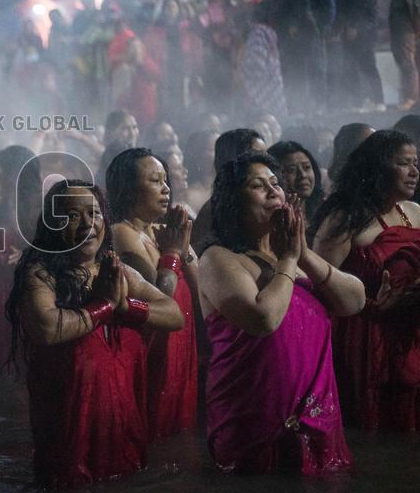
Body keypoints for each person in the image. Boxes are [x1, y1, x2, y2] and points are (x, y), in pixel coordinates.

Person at [6, 179, 183, 488]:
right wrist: (104, 306)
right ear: (53, 224)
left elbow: (173, 314)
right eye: (73, 216)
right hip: (68, 435)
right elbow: (47, 328)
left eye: (94, 213)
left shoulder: (118, 272)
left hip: (124, 429)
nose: (88, 223)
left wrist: (125, 307)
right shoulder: (41, 273)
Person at [199, 152, 363, 474]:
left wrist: (303, 255)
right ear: (234, 202)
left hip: (318, 417)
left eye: (275, 183)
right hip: (254, 419)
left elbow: (354, 301)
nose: (273, 191)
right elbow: (263, 320)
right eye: (258, 186)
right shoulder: (219, 259)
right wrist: (288, 260)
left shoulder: (293, 258)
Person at [311, 130, 420, 431]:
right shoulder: (345, 219)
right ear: (378, 168)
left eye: (416, 163)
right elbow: (317, 285)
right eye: (404, 163)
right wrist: (372, 304)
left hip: (410, 333)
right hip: (363, 337)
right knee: (371, 425)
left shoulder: (415, 212)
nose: (414, 172)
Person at [107, 150, 199, 439]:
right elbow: (159, 299)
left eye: (165, 180)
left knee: (179, 431)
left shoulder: (163, 231)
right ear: (129, 188)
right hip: (153, 348)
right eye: (155, 180)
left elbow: (201, 289)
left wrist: (184, 249)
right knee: (154, 429)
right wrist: (171, 253)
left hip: (179, 346)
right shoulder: (121, 233)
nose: (166, 188)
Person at [0, 145, 41, 373]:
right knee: (0, 360)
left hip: (29, 287)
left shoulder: (39, 205)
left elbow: (55, 248)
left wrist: (26, 255)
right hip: (0, 287)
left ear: (14, 173)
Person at [193, 129, 268, 251]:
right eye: (257, 157)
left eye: (266, 156)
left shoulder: (263, 200)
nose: (266, 164)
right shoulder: (215, 211)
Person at [333, 0, 383, 110]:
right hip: (355, 23)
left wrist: (353, 25)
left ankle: (377, 100)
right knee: (352, 62)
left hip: (363, 24)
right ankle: (359, 101)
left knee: (366, 61)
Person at [388, 0, 420, 110]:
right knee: (401, 62)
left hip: (407, 30)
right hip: (397, 29)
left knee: (408, 63)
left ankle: (412, 98)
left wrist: (417, 28)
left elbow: (415, 6)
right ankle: (406, 96)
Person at [268, 141, 326, 222]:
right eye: (291, 170)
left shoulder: (325, 210)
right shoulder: (270, 219)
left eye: (306, 167)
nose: (303, 175)